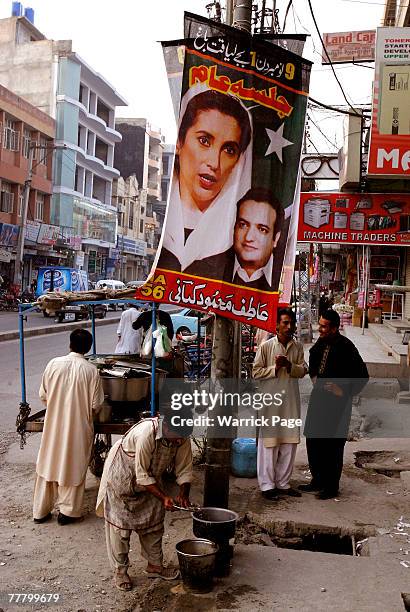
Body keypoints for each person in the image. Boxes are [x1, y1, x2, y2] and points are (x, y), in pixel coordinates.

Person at [157, 86, 252, 275]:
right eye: (204, 141)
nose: (214, 162)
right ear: (179, 142)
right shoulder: (157, 226)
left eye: (229, 150)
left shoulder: (242, 241)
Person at [96, 407, 193, 591]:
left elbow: (185, 469)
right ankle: (120, 572)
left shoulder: (181, 435)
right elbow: (142, 475)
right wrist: (165, 497)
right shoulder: (147, 433)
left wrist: (183, 493)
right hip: (123, 475)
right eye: (177, 435)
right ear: (165, 426)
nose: (180, 440)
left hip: (150, 478)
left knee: (154, 522)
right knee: (120, 529)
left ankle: (155, 566)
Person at [33, 329, 104, 525]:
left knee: (48, 463)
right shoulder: (92, 371)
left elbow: (43, 395)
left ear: (69, 344)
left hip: (53, 426)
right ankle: (68, 513)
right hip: (78, 428)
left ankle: (40, 511)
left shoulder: (53, 364)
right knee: (73, 466)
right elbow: (96, 405)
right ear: (88, 348)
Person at [300, 309, 369, 500]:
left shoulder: (347, 347)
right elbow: (313, 359)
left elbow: (363, 375)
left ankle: (331, 487)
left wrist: (343, 391)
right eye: (320, 325)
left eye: (324, 326)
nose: (320, 329)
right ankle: (318, 480)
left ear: (334, 328)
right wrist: (314, 377)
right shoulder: (321, 343)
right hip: (319, 401)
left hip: (338, 405)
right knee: (314, 441)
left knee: (333, 446)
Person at [253, 308, 307, 500]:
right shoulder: (266, 346)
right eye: (285, 323)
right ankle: (267, 485)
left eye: (291, 323)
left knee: (289, 444)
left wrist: (290, 366)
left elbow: (303, 371)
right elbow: (255, 372)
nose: (289, 327)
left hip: (290, 402)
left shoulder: (298, 347)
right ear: (276, 325)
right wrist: (275, 368)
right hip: (270, 403)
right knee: (269, 444)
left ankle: (283, 483)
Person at [231, 188, 284, 291]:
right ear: (234, 227)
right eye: (243, 225)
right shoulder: (204, 268)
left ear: (276, 239)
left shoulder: (284, 277)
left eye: (262, 229)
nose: (249, 237)